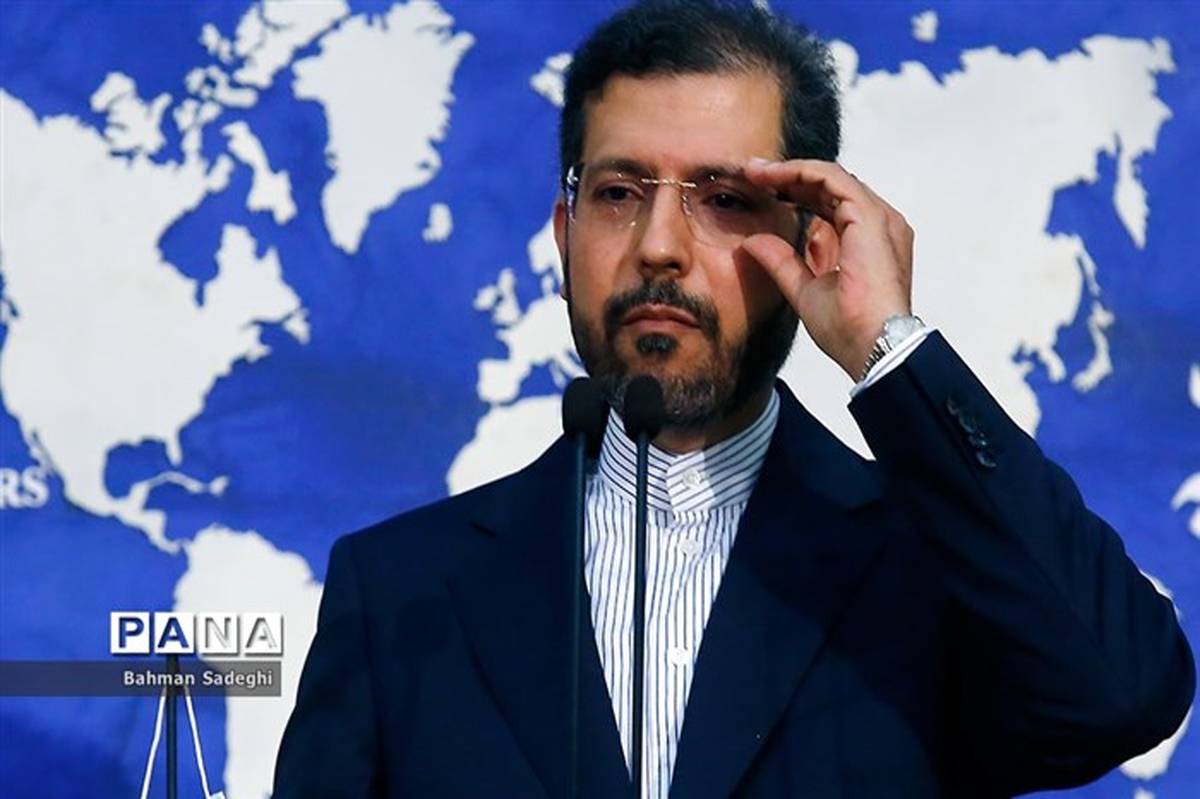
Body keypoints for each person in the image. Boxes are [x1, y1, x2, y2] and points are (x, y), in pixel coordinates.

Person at [273, 2, 1194, 797]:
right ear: (564, 236)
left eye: (721, 199)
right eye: (618, 193)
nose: (658, 245)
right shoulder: (398, 595)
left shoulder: (933, 570)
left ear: (813, 243)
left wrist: (887, 344)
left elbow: (1124, 692)